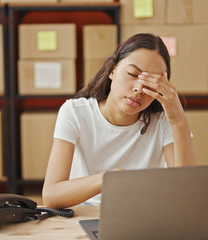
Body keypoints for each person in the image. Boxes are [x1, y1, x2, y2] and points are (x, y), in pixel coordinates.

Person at [42, 33, 197, 209]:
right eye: (132, 74)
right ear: (112, 71)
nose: (139, 89)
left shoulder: (163, 120)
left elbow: (188, 195)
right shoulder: (75, 112)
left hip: (144, 211)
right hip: (86, 211)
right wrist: (108, 178)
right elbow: (51, 195)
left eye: (151, 84)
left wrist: (179, 121)